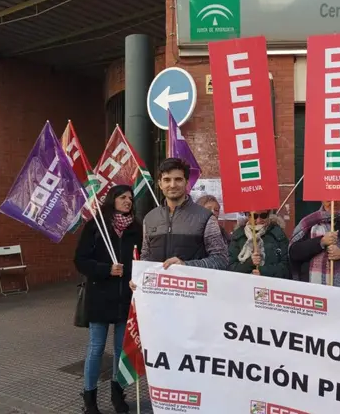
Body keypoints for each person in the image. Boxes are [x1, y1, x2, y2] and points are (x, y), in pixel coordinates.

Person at [74, 185, 142, 414]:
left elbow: (142, 258)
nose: (128, 201)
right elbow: (80, 260)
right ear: (112, 199)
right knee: (96, 348)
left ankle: (117, 394)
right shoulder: (96, 226)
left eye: (130, 198)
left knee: (121, 350)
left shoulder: (136, 228)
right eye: (122, 197)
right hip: (100, 297)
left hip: (126, 298)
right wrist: (106, 269)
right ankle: (89, 398)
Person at [140, 158, 228, 270]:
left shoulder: (205, 217)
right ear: (160, 184)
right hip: (158, 282)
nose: (172, 185)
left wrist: (186, 265)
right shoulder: (149, 218)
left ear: (186, 183)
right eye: (167, 180)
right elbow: (145, 257)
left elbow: (221, 259)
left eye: (178, 179)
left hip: (192, 281)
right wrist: (139, 276)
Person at [228, 210, 289, 278]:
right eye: (254, 216)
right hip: (245, 283)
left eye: (263, 215)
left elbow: (286, 267)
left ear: (268, 215)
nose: (258, 220)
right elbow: (231, 268)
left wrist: (263, 271)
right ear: (248, 216)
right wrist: (250, 263)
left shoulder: (278, 235)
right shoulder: (238, 236)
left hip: (270, 283)